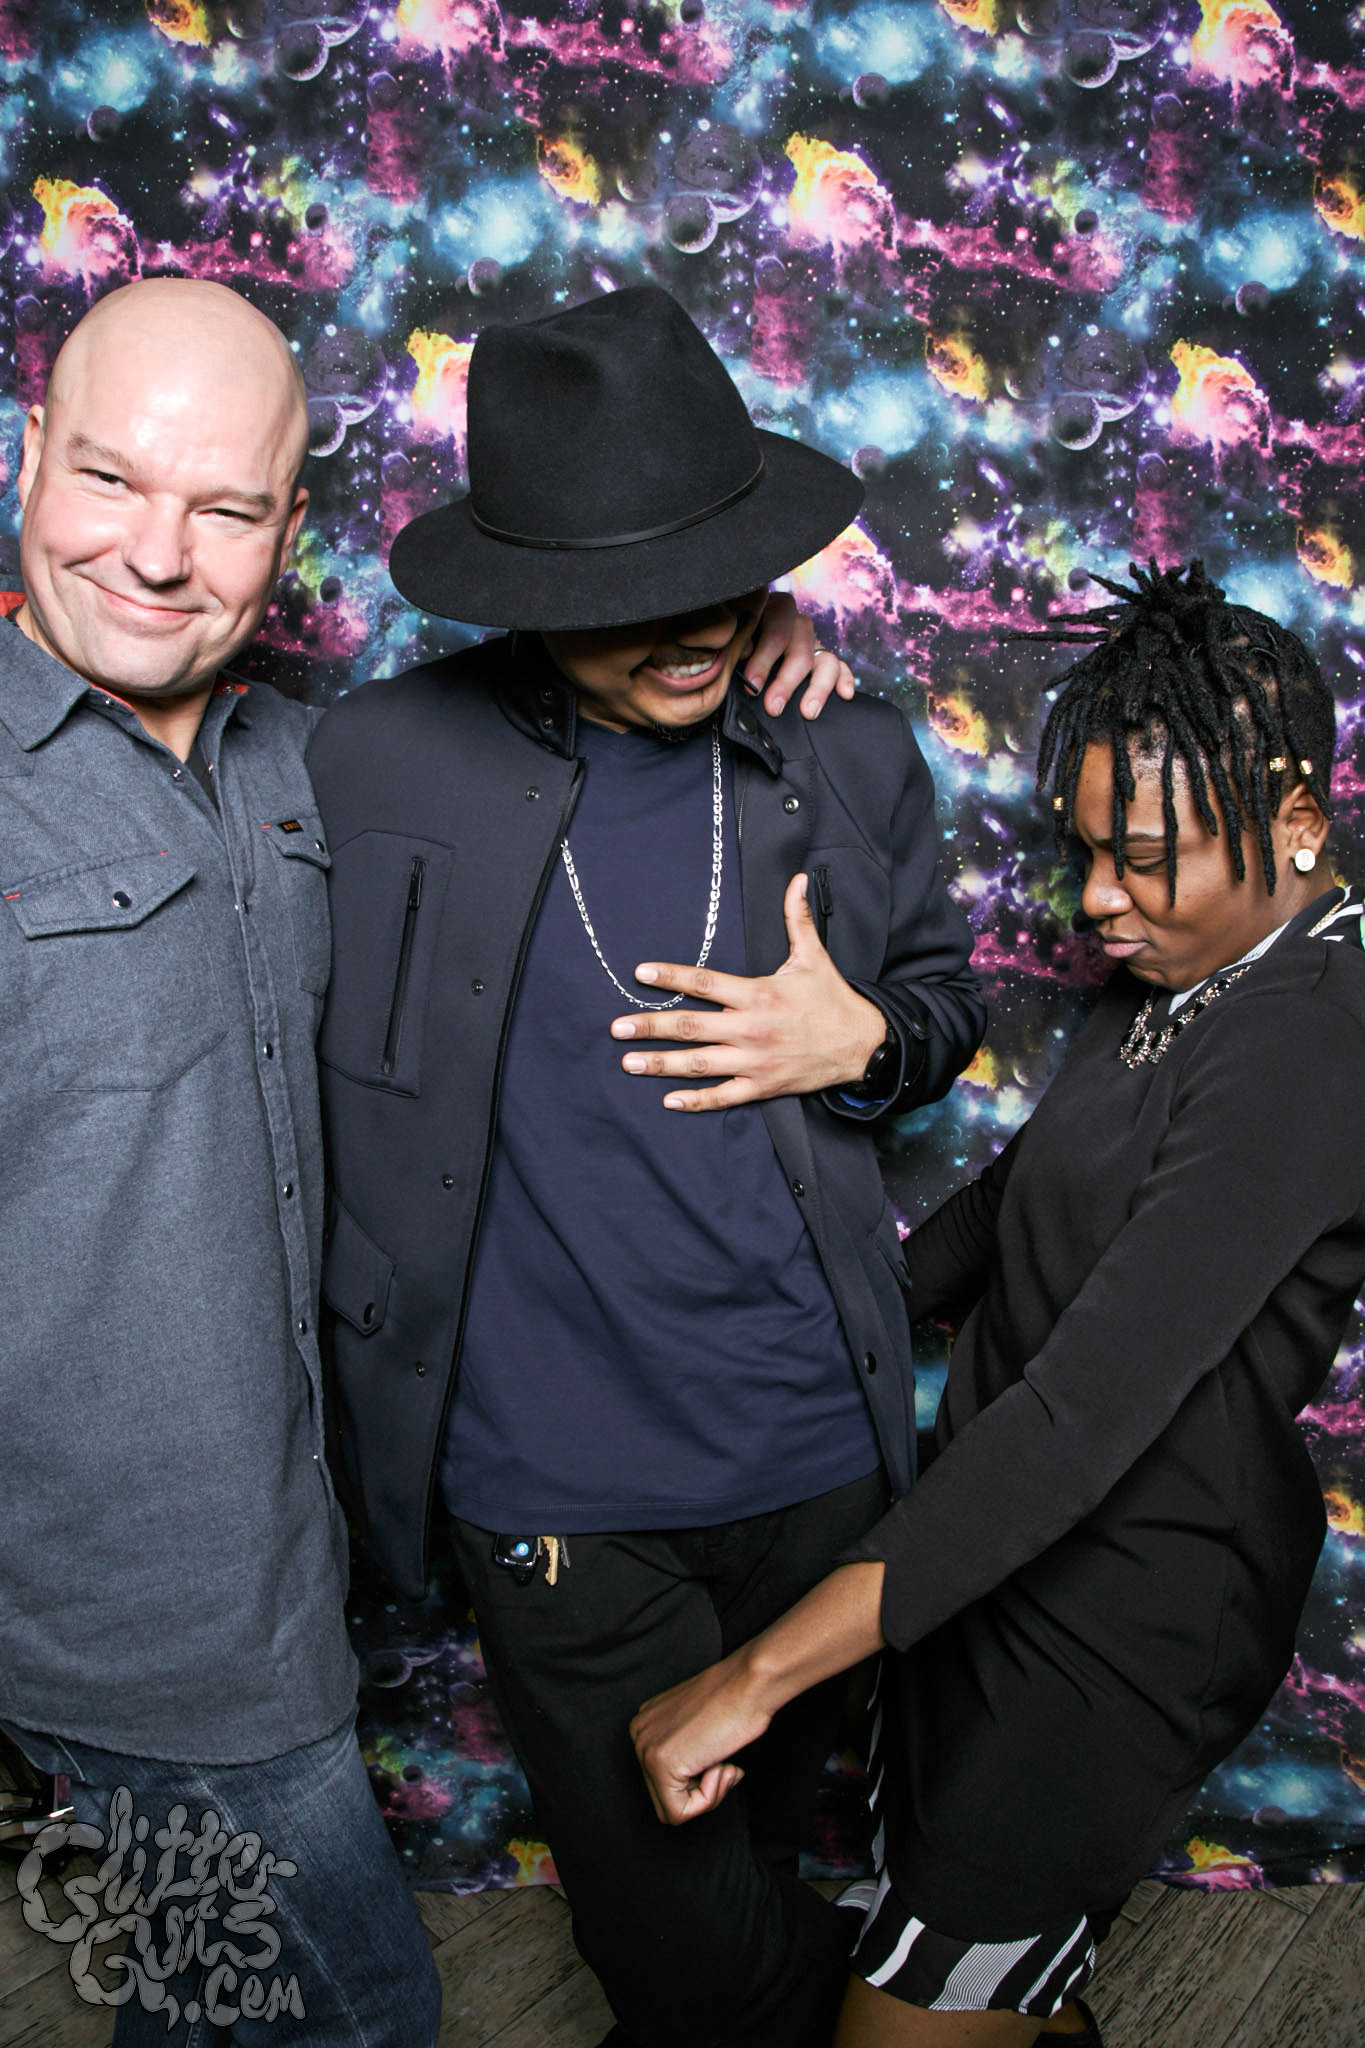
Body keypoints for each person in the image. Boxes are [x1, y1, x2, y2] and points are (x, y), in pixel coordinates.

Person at [0, 273, 854, 2042]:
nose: (155, 555)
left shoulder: (314, 764)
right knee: (350, 2016)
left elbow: (557, 737)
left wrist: (739, 634)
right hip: (131, 1624)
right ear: (27, 459)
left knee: (209, 2001)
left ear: (286, 530)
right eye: (108, 480)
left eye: (223, 507)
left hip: (298, 1555)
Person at [307, 284, 985, 2048]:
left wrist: (865, 1043)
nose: (691, 626)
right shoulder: (373, 758)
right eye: (629, 594)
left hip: (814, 1459)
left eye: (717, 571)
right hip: (553, 1485)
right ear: (526, 592)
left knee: (759, 1856)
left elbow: (943, 1006)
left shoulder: (845, 748)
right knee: (674, 1940)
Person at [631, 560, 1365, 2048]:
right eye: (1087, 852)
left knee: (917, 2000)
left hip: (1123, 1622)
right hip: (983, 1565)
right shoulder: (1189, 968)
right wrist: (799, 1339)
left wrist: (752, 1680)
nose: (1096, 900)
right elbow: (1006, 1209)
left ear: (1294, 818)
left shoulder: (1314, 1040)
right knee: (987, 1976)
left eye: (1142, 859)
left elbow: (1081, 1416)